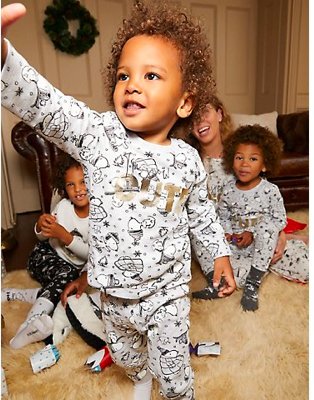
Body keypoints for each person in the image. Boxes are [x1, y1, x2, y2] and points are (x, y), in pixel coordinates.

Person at [1, 2, 236, 399]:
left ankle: (177, 391)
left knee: (175, 373)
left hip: (167, 294)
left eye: (151, 75)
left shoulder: (186, 159)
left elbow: (202, 214)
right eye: (124, 75)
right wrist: (4, 59)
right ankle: (140, 377)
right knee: (127, 357)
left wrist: (219, 255)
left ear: (183, 102)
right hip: (113, 291)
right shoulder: (99, 136)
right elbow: (49, 106)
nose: (132, 84)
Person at [187, 95, 308, 301]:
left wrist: (279, 234)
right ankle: (256, 268)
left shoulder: (243, 155)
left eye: (205, 112)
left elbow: (263, 200)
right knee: (226, 277)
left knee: (302, 264)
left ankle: (274, 253)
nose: (200, 122)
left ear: (219, 114)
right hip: (220, 240)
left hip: (253, 232)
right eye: (193, 118)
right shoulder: (189, 162)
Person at [1, 154, 89, 348]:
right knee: (65, 276)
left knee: (69, 286)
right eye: (71, 185)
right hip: (45, 256)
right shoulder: (64, 207)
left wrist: (66, 237)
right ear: (64, 188)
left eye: (83, 182)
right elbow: (44, 237)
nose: (78, 189)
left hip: (69, 269)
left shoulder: (101, 215)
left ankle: (19, 306)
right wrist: (40, 227)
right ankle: (29, 320)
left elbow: (92, 254)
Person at [218, 124, 308, 311]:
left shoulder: (270, 191)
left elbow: (279, 219)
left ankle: (255, 280)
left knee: (305, 268)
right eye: (239, 157)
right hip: (241, 250)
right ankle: (258, 271)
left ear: (265, 164)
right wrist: (229, 235)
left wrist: (254, 232)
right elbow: (223, 217)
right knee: (230, 277)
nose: (244, 164)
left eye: (253, 158)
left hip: (267, 244)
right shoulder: (227, 191)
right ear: (231, 160)